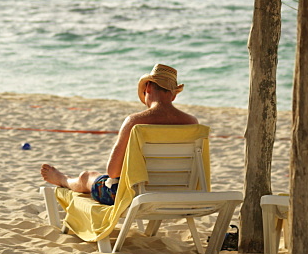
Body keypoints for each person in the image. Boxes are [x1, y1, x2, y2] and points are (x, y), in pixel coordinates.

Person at [40, 64, 199, 205]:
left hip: (134, 195)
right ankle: (63, 178)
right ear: (174, 95)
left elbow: (113, 172)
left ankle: (63, 179)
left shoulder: (134, 122)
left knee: (87, 177)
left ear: (148, 87)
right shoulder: (192, 123)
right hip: (178, 192)